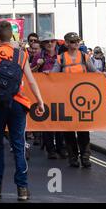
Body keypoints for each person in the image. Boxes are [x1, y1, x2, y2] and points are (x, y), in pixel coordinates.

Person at [0, 21, 45, 201]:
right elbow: (31, 81)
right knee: (18, 145)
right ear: (11, 35)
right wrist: (40, 101)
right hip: (18, 103)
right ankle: (22, 189)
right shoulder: (21, 54)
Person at [50, 32, 105, 168]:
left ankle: (85, 158)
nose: (76, 44)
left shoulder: (85, 56)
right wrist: (47, 74)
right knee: (69, 131)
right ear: (67, 43)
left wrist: (102, 75)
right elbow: (53, 74)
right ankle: (73, 158)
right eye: (73, 42)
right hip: (66, 99)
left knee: (83, 130)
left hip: (82, 99)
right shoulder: (61, 58)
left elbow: (93, 71)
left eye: (77, 41)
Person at [31, 32, 68, 160]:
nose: (49, 44)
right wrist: (38, 65)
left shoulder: (62, 56)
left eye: (52, 41)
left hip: (59, 93)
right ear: (43, 44)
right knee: (47, 122)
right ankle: (50, 149)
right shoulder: (38, 56)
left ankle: (61, 148)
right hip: (44, 93)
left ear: (55, 42)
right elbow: (30, 73)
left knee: (59, 121)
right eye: (47, 42)